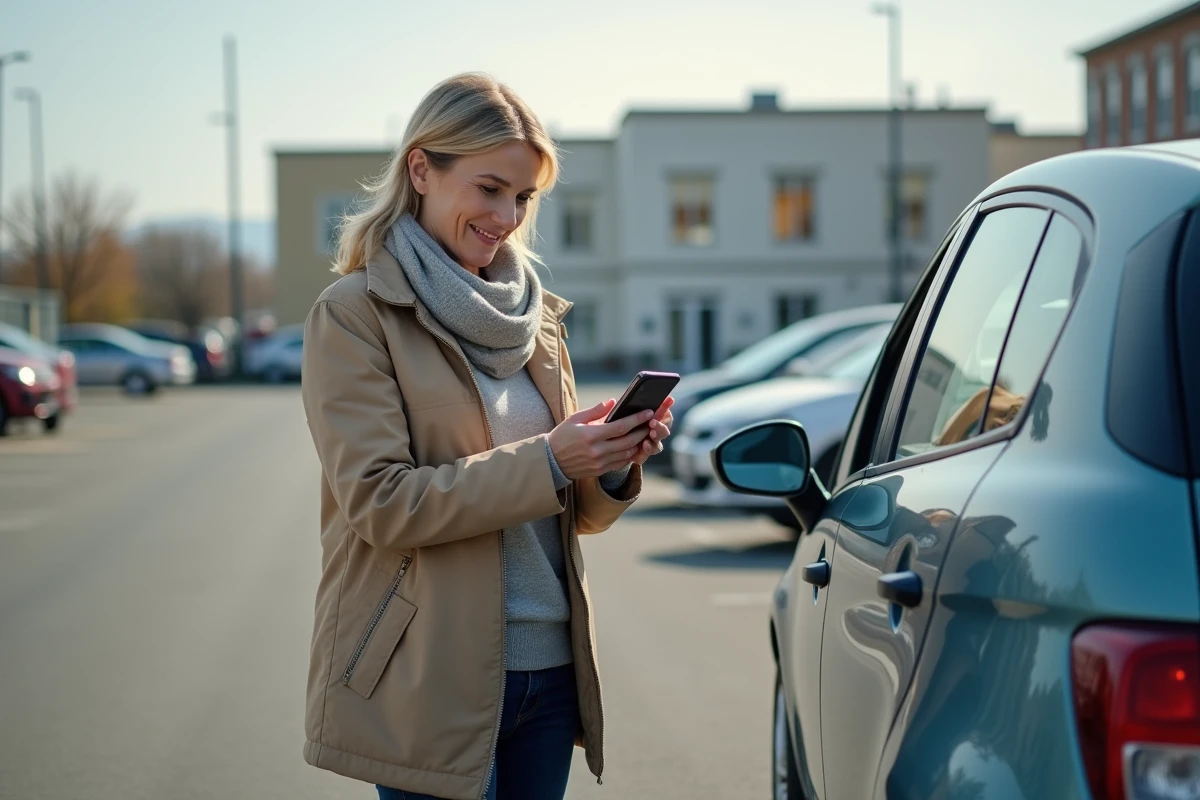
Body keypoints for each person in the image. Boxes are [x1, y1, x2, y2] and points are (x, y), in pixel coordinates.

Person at [299, 73, 673, 800]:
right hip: (429, 674)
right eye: (490, 188)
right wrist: (549, 457)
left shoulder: (539, 319)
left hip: (552, 674)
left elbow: (571, 513)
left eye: (523, 197)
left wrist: (612, 462)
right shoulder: (354, 316)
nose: (507, 215)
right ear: (420, 171)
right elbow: (380, 504)